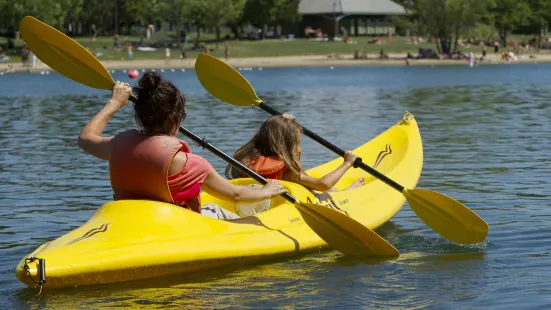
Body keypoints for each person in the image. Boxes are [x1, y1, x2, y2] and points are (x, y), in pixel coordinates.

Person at [77, 72, 288, 220]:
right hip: (180, 228)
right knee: (236, 210)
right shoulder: (190, 164)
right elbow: (236, 195)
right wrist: (267, 191)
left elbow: (85, 138)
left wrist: (114, 103)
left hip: (132, 222)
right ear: (173, 121)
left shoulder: (118, 146)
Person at [226, 114, 364, 192]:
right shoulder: (289, 173)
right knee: (323, 191)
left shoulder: (244, 161)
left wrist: (284, 121)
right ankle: (347, 192)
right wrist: (347, 163)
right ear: (284, 147)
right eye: (296, 144)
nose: (299, 149)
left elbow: (273, 132)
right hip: (285, 209)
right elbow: (324, 184)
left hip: (258, 205)